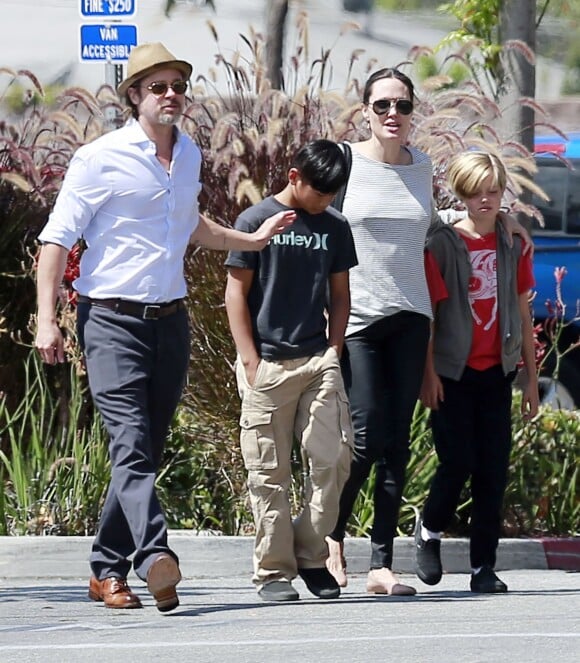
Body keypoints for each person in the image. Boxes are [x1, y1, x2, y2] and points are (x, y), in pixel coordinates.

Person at [34, 42, 294, 612]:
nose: (171, 94)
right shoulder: (101, 158)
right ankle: (155, 556)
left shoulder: (191, 155)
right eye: (158, 86)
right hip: (111, 322)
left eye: (179, 84)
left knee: (145, 452)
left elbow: (187, 222)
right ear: (134, 96)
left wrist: (248, 240)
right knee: (130, 446)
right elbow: (56, 238)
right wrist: (48, 320)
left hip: (170, 323)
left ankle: (106, 570)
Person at [324, 67, 531, 596]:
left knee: (396, 443)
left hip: (413, 316)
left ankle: (381, 562)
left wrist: (500, 213)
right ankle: (330, 538)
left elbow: (435, 221)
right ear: (365, 111)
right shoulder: (346, 162)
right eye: (382, 106)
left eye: (403, 106)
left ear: (414, 112)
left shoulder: (420, 167)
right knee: (368, 438)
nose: (393, 115)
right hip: (363, 318)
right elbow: (310, 210)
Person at [224, 139, 358, 602]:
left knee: (333, 459)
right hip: (267, 365)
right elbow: (235, 294)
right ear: (294, 176)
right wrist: (250, 360)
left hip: (318, 359)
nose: (325, 201)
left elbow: (340, 294)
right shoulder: (254, 221)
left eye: (332, 195)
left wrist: (334, 350)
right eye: (319, 192)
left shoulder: (336, 227)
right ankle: (273, 572)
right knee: (268, 472)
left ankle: (311, 555)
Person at [415, 150, 539, 593]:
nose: (486, 201)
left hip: (496, 372)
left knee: (492, 469)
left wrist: (529, 377)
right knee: (457, 462)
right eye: (476, 193)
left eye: (493, 191)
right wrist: (427, 374)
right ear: (462, 195)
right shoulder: (444, 245)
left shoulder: (513, 243)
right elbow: (430, 315)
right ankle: (428, 531)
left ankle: (483, 566)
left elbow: (524, 312)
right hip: (452, 370)